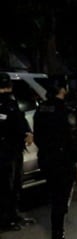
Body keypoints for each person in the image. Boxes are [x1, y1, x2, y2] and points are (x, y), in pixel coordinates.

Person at [33, 75, 77, 239]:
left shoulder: (41, 109)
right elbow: (73, 139)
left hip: (47, 160)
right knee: (61, 201)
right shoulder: (65, 110)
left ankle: (57, 238)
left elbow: (38, 136)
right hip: (63, 161)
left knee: (55, 197)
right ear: (62, 89)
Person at [0, 72, 35, 231]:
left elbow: (19, 119)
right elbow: (7, 124)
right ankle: (6, 220)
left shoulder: (11, 101)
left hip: (15, 148)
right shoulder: (4, 103)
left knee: (15, 184)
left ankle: (14, 214)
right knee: (6, 186)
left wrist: (27, 132)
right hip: (4, 150)